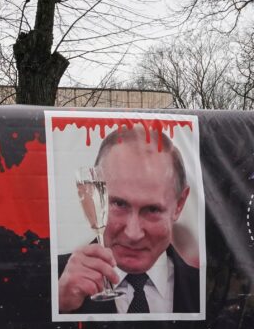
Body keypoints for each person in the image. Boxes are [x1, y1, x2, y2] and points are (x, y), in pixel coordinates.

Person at [57, 126, 200, 315]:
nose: (133, 234)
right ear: (95, 196)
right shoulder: (52, 283)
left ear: (179, 204)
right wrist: (58, 306)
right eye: (119, 204)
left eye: (152, 209)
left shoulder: (207, 290)